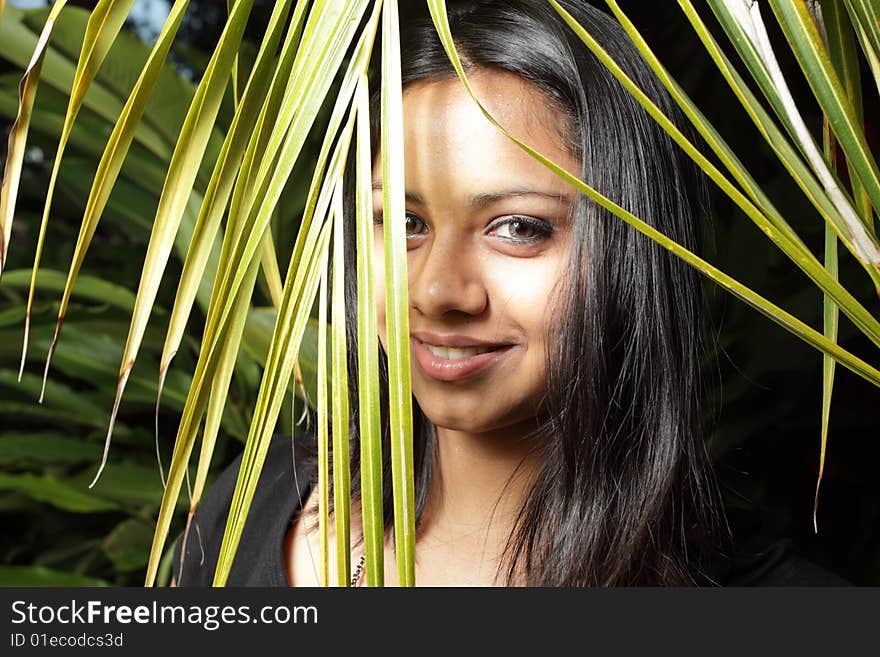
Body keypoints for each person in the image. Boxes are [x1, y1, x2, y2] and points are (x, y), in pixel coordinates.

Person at [173, 0, 846, 587]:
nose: (439, 290)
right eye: (405, 222)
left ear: (631, 252)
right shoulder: (252, 505)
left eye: (518, 227)